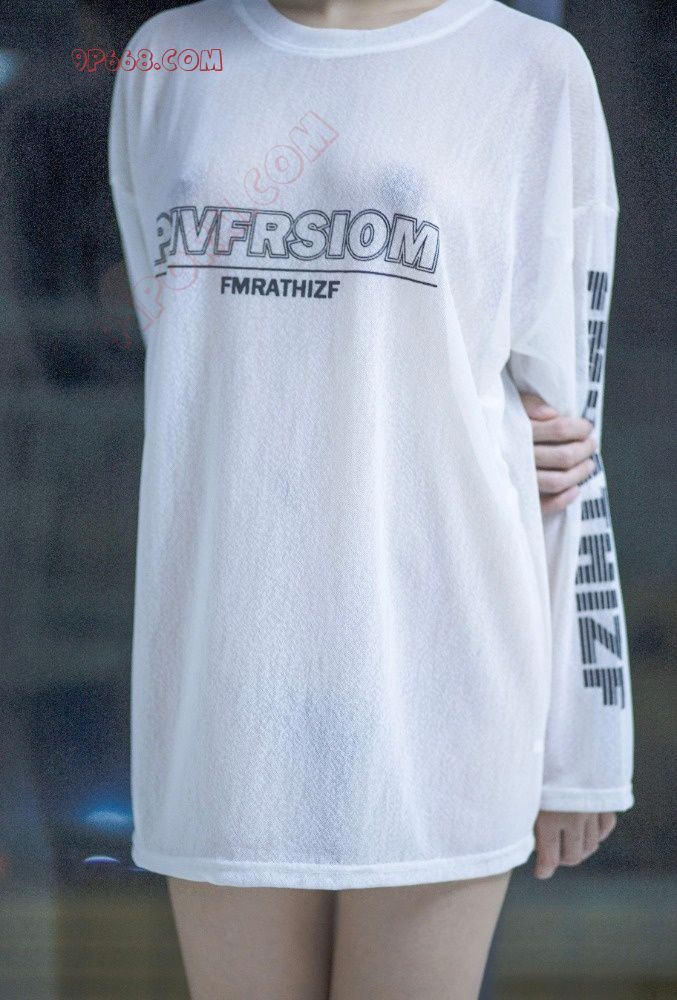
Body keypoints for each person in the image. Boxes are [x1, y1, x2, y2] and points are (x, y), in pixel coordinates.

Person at [107, 1, 635, 996]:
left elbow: (570, 422)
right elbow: (183, 349)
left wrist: (583, 745)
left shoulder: (528, 66)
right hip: (222, 674)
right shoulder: (168, 58)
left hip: (439, 660)